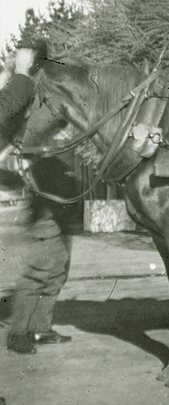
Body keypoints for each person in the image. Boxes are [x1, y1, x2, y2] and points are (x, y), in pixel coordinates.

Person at [1, 41, 73, 355]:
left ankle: (40, 328)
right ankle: (19, 333)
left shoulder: (41, 92)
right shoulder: (26, 91)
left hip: (56, 188)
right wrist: (18, 72)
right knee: (40, 265)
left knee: (57, 263)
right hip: (42, 188)